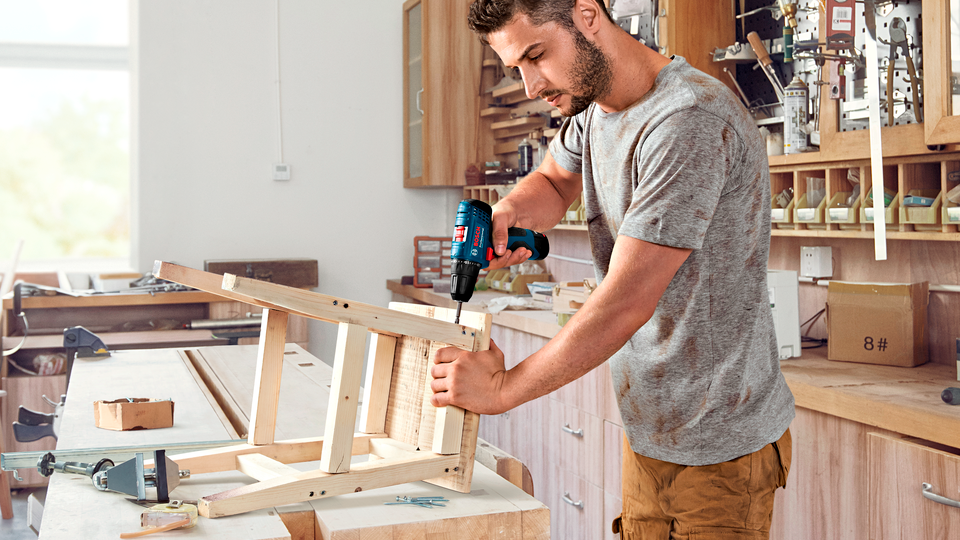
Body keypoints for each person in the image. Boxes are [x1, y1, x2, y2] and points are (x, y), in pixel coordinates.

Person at [430, 0, 796, 538]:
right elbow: (555, 181)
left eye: (536, 55)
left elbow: (625, 302)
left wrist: (504, 389)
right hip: (650, 429)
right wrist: (509, 212)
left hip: (720, 444)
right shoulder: (594, 109)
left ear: (586, 15)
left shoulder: (687, 119)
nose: (532, 85)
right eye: (518, 69)